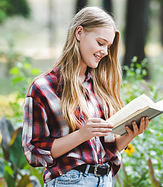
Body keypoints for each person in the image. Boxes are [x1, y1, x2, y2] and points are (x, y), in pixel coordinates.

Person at [22, 7, 150, 187]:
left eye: (108, 46)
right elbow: (33, 151)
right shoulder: (44, 88)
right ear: (79, 33)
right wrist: (82, 134)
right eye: (100, 43)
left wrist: (131, 134)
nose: (105, 51)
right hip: (70, 181)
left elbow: (107, 149)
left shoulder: (100, 86)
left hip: (105, 180)